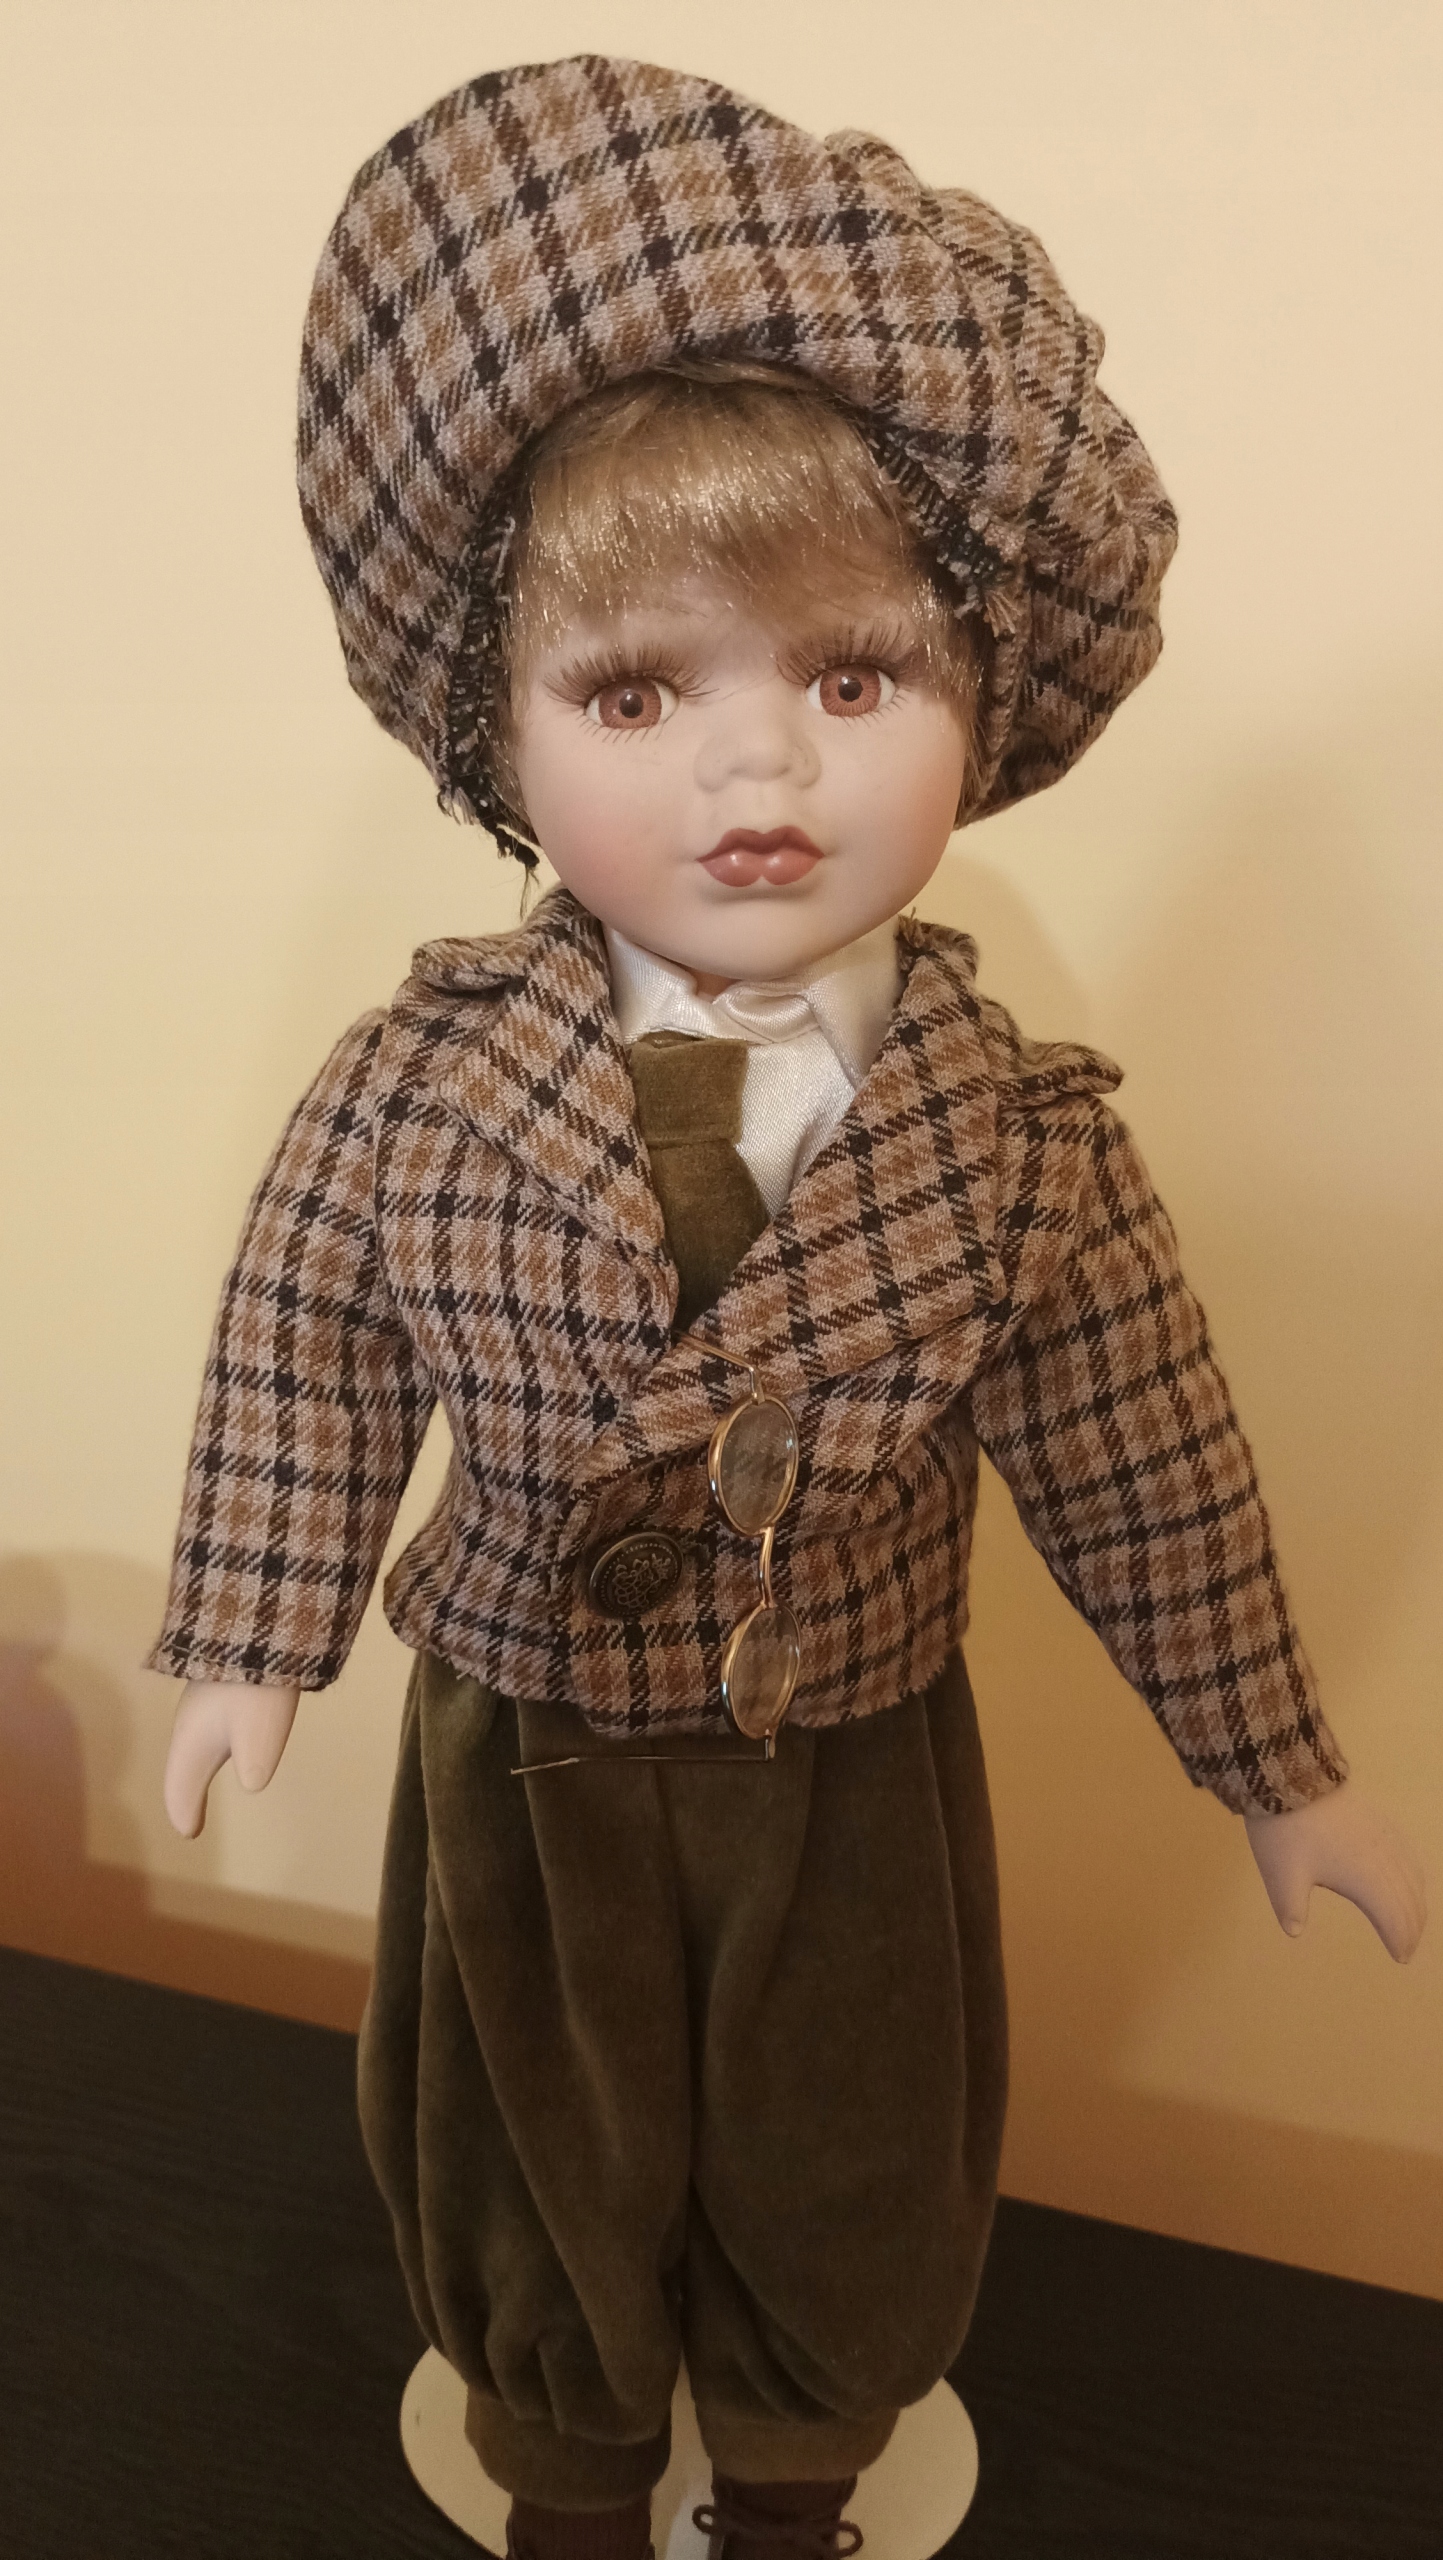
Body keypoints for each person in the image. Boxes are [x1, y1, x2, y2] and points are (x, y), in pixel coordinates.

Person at [152, 56, 1425, 2560]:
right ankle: (565, 2464)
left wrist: (1271, 1763)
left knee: (849, 2123)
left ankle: (795, 2474)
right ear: (495, 734)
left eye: (851, 677)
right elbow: (305, 1346)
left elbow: (1142, 1453)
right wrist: (244, 1638)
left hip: (845, 1752)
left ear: (979, 692)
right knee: (522, 2116)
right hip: (518, 1740)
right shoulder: (421, 1086)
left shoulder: (1016, 1139)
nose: (760, 773)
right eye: (635, 693)